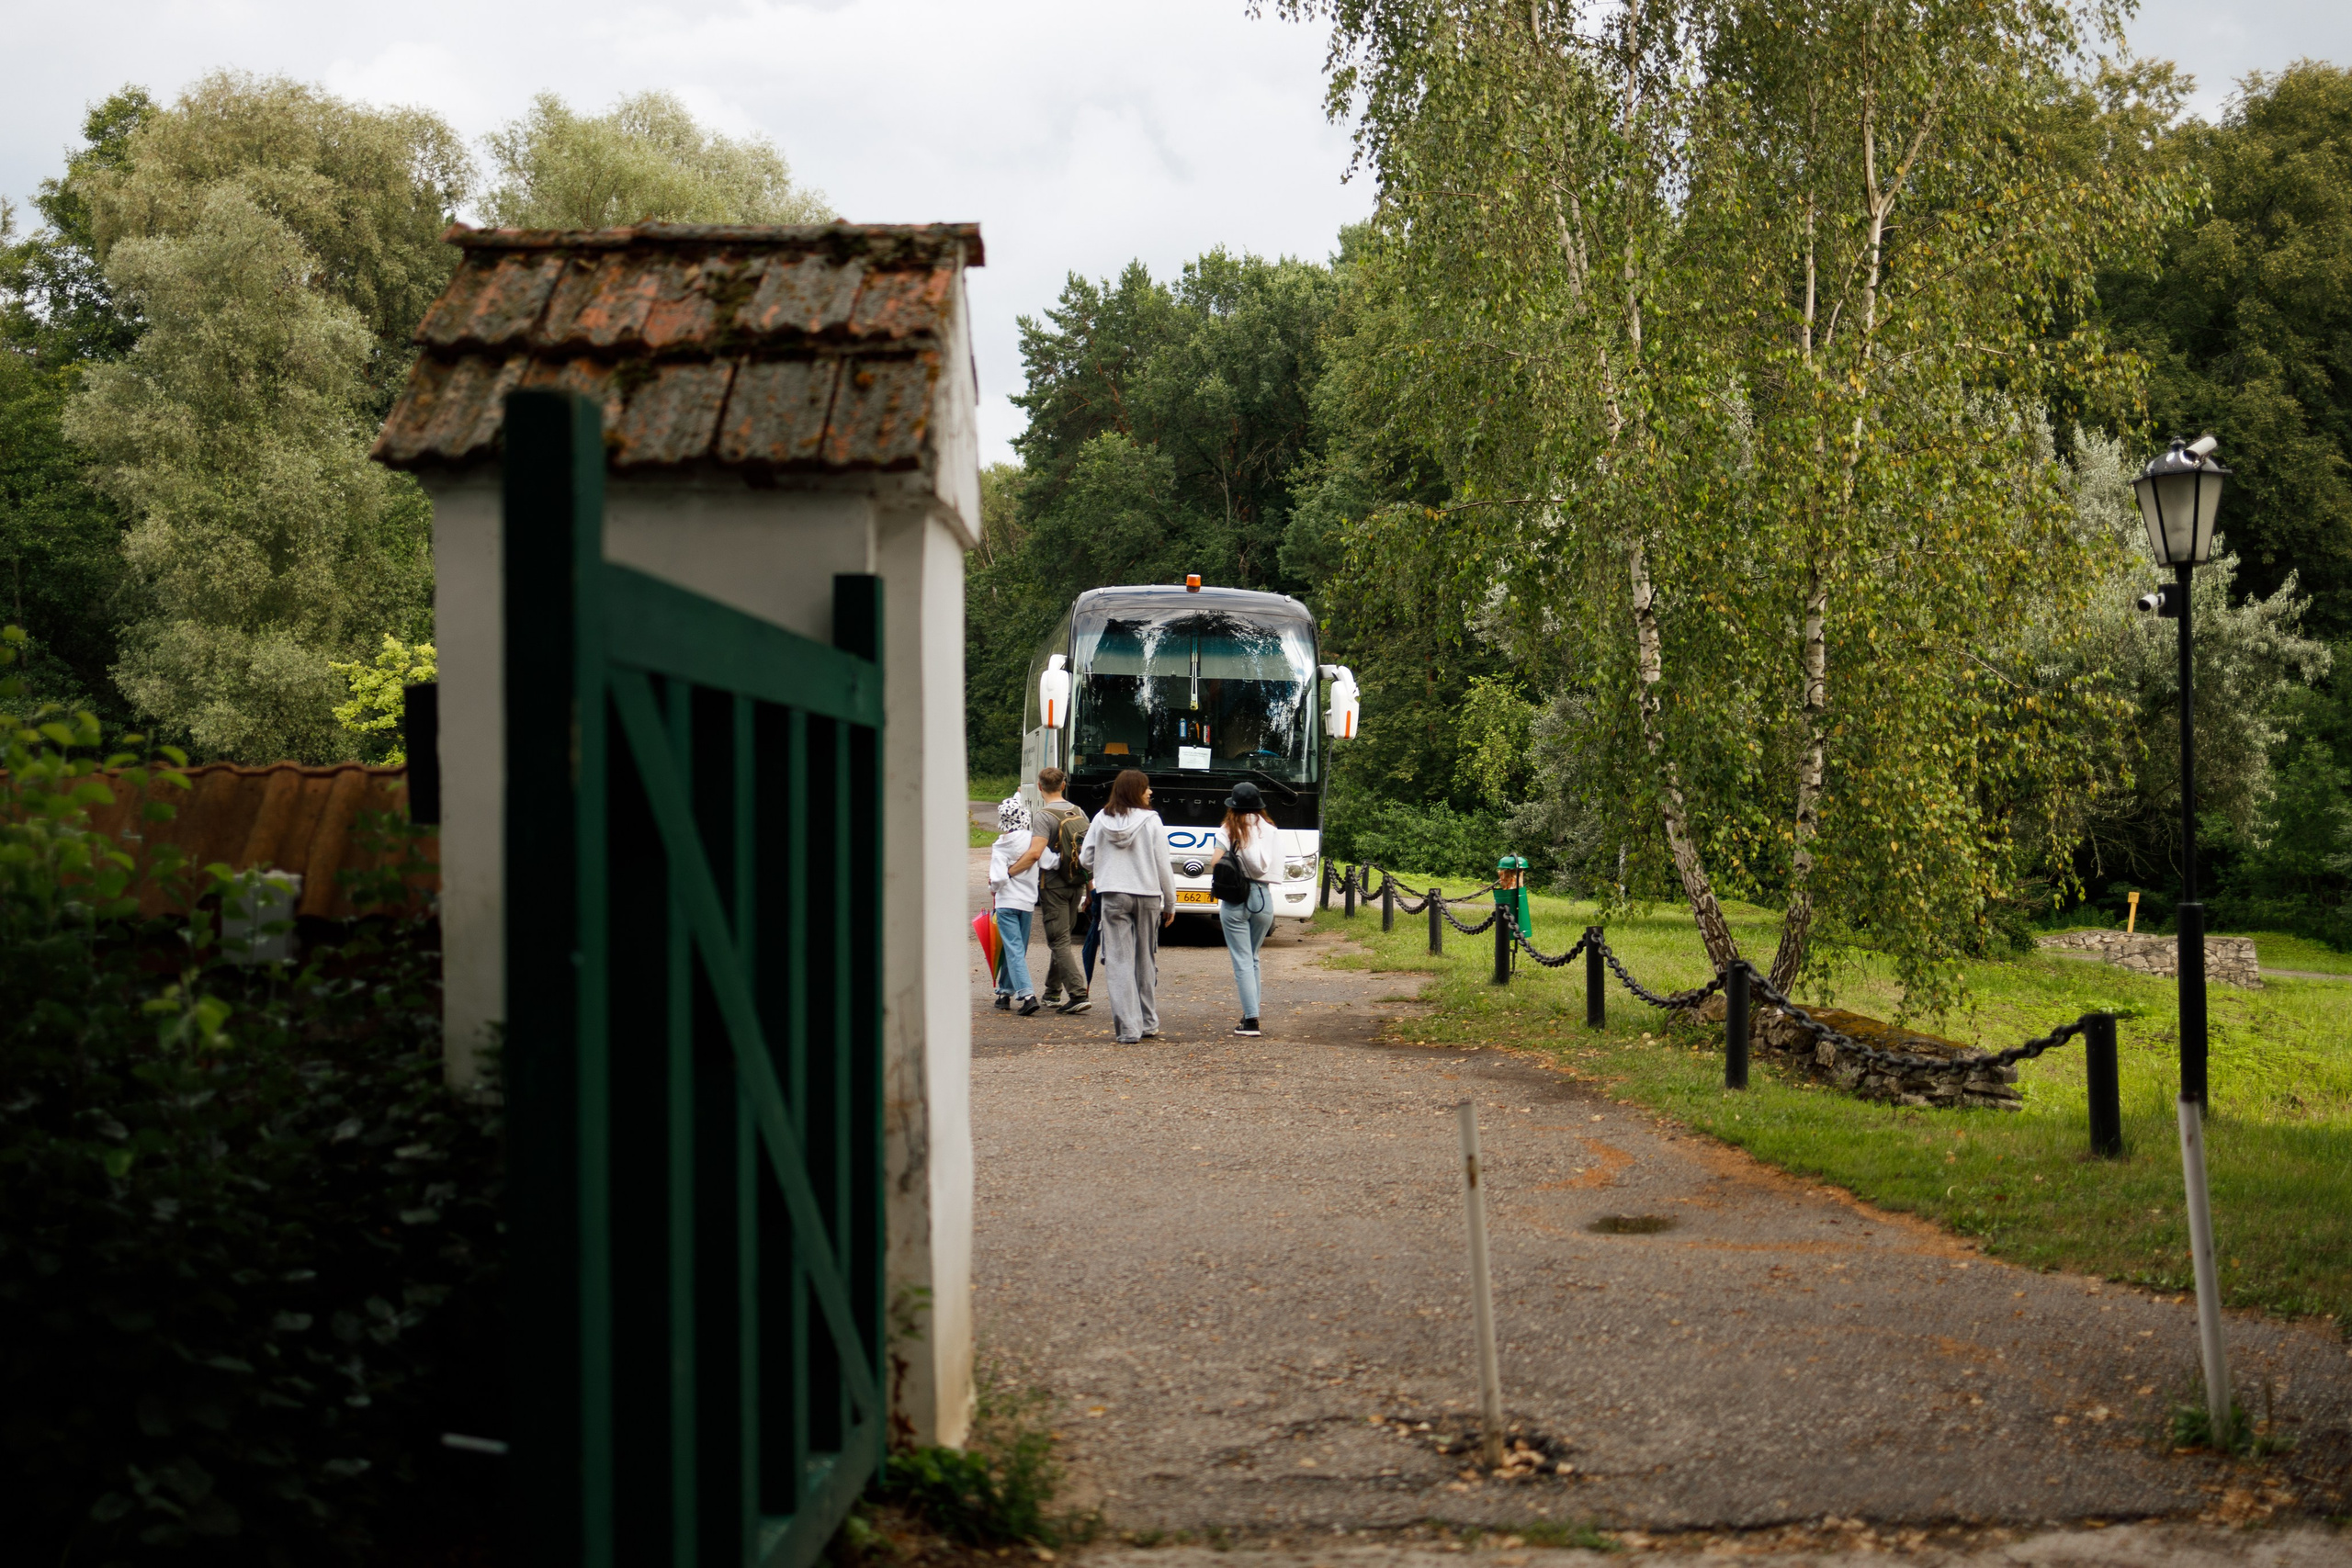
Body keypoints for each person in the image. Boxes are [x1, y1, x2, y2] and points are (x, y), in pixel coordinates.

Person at [1078, 769, 1176, 1044]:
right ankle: (1149, 1022)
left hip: (1113, 895)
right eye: (1146, 787)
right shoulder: (1152, 820)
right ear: (1135, 791)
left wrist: (1107, 861)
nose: (1150, 792)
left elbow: (1086, 860)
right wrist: (1170, 901)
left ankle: (1128, 1030)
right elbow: (1163, 863)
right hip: (1148, 895)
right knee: (1145, 959)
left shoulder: (1101, 818)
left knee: (1118, 962)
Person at [1206, 781, 1280, 1036]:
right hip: (1263, 899)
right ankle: (1252, 1013)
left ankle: (1251, 1021)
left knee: (1242, 961)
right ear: (1259, 806)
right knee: (1253, 957)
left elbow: (1216, 862)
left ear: (1233, 806)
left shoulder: (1228, 829)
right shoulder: (1270, 830)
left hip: (1236, 898)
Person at [1032, 768, 1091, 1014]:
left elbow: (1036, 852)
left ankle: (1077, 994)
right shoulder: (1079, 812)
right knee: (1063, 938)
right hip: (1076, 883)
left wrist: (1010, 872)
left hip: (1054, 884)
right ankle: (1052, 992)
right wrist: (1090, 888)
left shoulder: (1044, 816)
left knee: (1059, 940)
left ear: (1039, 787)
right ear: (1064, 785)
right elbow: (1088, 854)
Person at [987, 795, 1047, 1016]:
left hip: (1006, 904)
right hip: (1027, 903)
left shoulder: (1001, 845)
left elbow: (998, 879)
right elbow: (1050, 861)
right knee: (1016, 949)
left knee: (1012, 949)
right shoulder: (1033, 840)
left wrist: (992, 887)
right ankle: (1004, 993)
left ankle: (1028, 995)